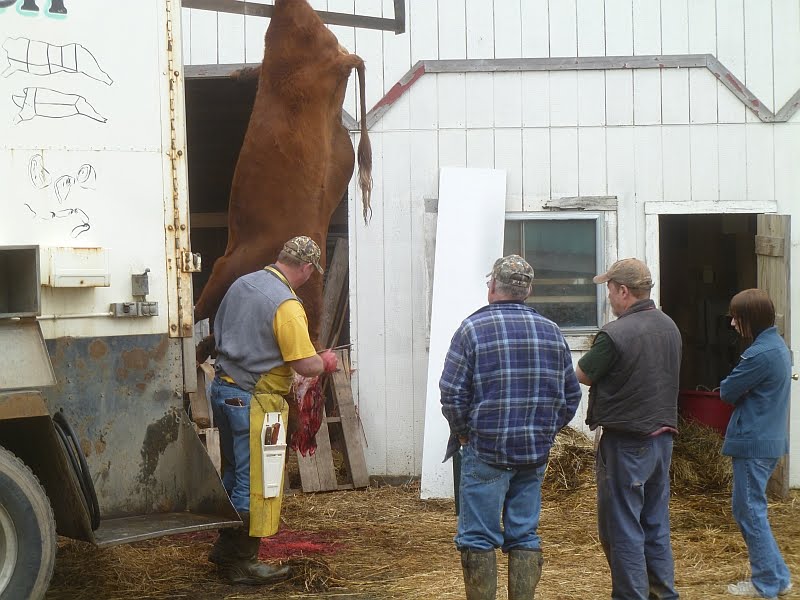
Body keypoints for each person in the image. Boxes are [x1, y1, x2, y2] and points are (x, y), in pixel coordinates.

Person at [440, 255, 582, 600]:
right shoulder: (551, 332)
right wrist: (545, 431)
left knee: (477, 537)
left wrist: (463, 433)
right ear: (528, 290)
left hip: (485, 450)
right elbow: (570, 395)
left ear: (492, 287)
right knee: (524, 534)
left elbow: (452, 392)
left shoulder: (471, 329)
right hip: (533, 454)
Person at [207, 236, 339, 585]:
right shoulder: (287, 304)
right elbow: (304, 364)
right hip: (254, 399)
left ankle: (224, 548)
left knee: (234, 474)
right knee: (255, 482)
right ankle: (242, 563)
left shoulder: (242, 283)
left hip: (223, 388)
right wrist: (324, 361)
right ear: (308, 268)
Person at [575, 258, 681, 600]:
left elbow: (584, 374)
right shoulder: (669, 326)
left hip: (626, 442)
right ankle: (663, 594)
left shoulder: (615, 333)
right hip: (663, 440)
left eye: (609, 289)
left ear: (623, 290)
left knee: (623, 530)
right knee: (654, 524)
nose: (608, 296)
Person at [720, 289, 792, 599]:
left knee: (750, 512)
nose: (733, 323)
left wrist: (734, 389)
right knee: (750, 510)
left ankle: (766, 584)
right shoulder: (777, 347)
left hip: (754, 441)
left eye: (737, 317)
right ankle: (778, 576)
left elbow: (727, 391)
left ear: (749, 319)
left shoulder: (760, 354)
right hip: (766, 438)